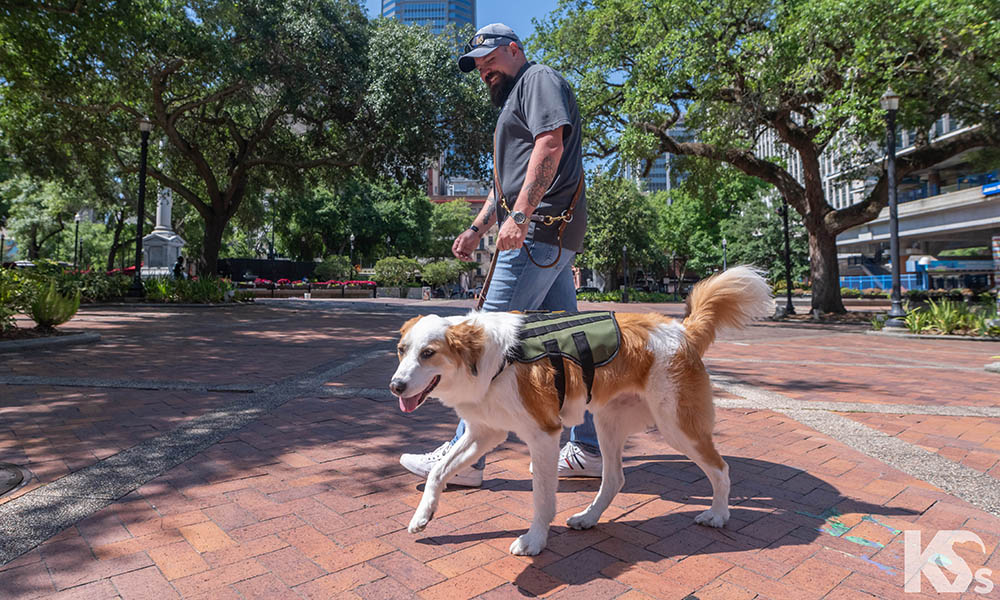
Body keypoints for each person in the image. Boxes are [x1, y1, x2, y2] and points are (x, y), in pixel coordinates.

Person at [399, 23, 602, 487]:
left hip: (539, 231)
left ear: (514, 50)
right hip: (548, 234)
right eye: (477, 66)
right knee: (568, 348)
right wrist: (477, 229)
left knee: (483, 340)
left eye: (490, 60)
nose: (484, 70)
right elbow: (503, 187)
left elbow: (551, 144)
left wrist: (523, 215)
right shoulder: (512, 102)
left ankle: (463, 461)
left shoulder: (537, 80)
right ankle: (590, 449)